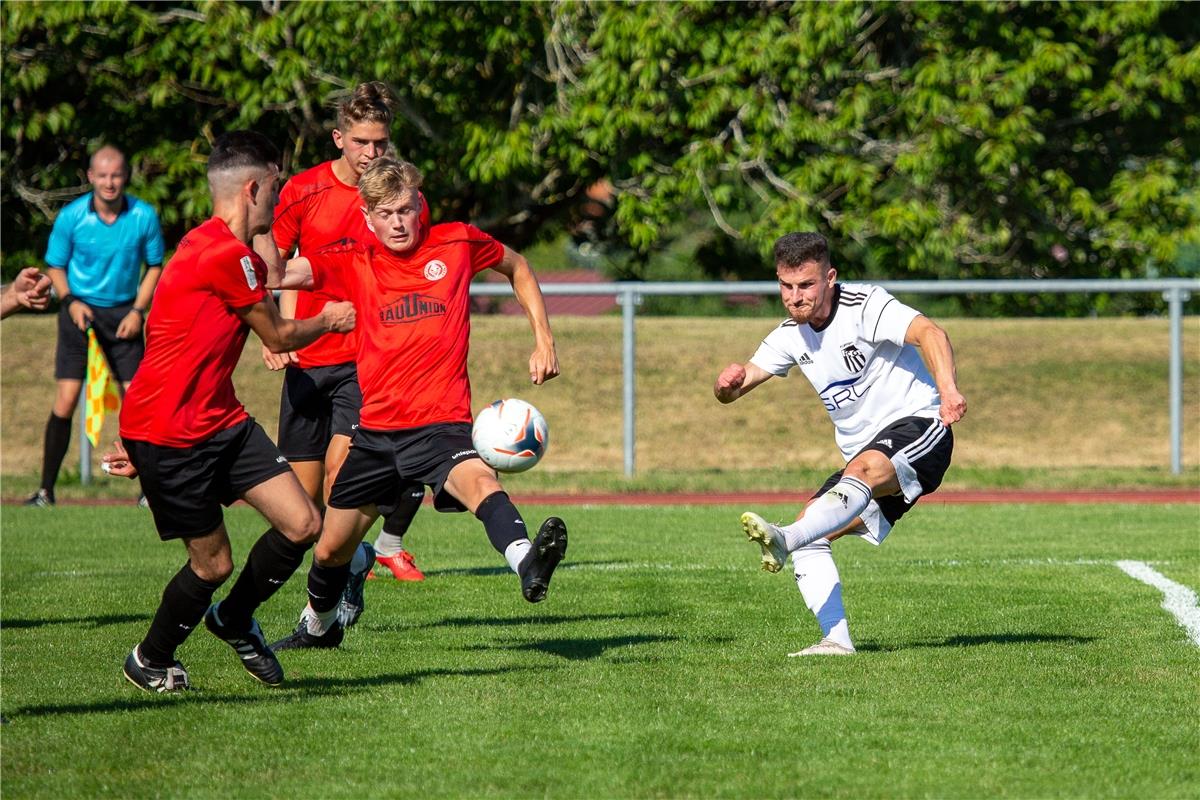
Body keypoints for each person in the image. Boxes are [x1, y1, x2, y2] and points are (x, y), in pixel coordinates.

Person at [266, 157, 568, 651]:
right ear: (367, 217)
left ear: (419, 204)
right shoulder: (353, 257)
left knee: (479, 481)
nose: (399, 223)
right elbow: (281, 272)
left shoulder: (456, 241)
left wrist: (544, 339)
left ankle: (526, 560)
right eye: (386, 213)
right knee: (328, 548)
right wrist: (256, 243)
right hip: (376, 431)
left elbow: (518, 266)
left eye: (406, 209)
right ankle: (318, 628)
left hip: (439, 422)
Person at [102, 131, 356, 692]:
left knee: (303, 523)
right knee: (212, 565)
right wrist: (334, 319)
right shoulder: (217, 254)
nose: (280, 196)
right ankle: (149, 656)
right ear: (253, 188)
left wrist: (266, 229)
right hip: (169, 433)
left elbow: (265, 278)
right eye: (275, 186)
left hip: (220, 419)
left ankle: (234, 618)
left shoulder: (229, 247)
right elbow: (282, 330)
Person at [714, 232, 966, 656]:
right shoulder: (788, 335)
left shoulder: (863, 306)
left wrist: (949, 390)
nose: (795, 297)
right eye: (786, 286)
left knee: (855, 477)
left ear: (829, 278)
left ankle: (783, 537)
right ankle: (836, 640)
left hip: (921, 426)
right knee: (814, 529)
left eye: (806, 285)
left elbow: (930, 332)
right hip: (864, 460)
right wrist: (726, 386)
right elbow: (736, 390)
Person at [265, 81, 427, 603]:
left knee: (343, 472)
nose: (372, 154)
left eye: (381, 143)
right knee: (301, 505)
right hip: (308, 358)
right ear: (339, 139)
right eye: (362, 143)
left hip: (367, 360)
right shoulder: (304, 191)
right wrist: (274, 331)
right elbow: (275, 266)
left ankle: (336, 589)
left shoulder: (398, 200)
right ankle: (352, 562)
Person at [26, 146, 165, 507]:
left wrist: (138, 311)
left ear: (125, 177)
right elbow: (55, 265)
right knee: (66, 399)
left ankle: (148, 492)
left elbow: (154, 266)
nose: (109, 182)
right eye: (102, 175)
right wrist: (70, 301)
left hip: (125, 316)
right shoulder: (72, 217)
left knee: (139, 402)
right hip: (79, 314)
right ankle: (46, 491)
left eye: (116, 175)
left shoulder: (142, 216)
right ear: (90, 176)